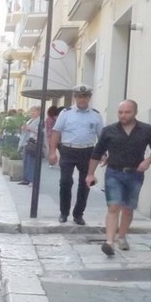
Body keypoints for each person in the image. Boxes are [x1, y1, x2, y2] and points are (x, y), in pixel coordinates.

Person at [87, 99, 151, 256]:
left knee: (128, 209)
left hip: (135, 174)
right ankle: (109, 242)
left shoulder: (147, 130)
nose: (123, 115)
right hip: (114, 173)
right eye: (120, 112)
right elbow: (96, 152)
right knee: (113, 207)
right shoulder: (109, 131)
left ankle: (121, 237)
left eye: (127, 112)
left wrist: (148, 161)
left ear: (135, 112)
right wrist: (90, 173)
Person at [48, 84, 104, 224]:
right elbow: (56, 132)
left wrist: (102, 153)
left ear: (89, 98)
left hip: (88, 152)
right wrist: (52, 152)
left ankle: (78, 214)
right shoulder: (65, 113)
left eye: (84, 96)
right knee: (65, 182)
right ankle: (64, 212)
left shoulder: (96, 115)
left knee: (85, 184)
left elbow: (101, 137)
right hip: (68, 150)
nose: (81, 99)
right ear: (75, 98)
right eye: (79, 96)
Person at [18, 106, 42, 186]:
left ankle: (32, 179)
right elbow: (26, 128)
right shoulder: (30, 120)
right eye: (31, 111)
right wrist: (23, 128)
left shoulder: (40, 121)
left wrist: (29, 128)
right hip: (26, 142)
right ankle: (25, 179)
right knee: (25, 161)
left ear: (39, 112)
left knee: (31, 162)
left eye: (34, 111)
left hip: (33, 143)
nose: (32, 113)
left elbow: (40, 131)